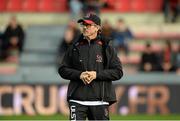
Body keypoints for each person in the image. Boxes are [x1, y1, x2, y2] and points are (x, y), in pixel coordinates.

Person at [58, 13, 123, 120]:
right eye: (83, 25)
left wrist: (96, 75)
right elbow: (63, 70)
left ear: (97, 28)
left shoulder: (107, 47)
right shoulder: (74, 46)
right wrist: (80, 75)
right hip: (77, 99)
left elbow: (118, 72)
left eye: (88, 25)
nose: (84, 27)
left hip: (100, 101)